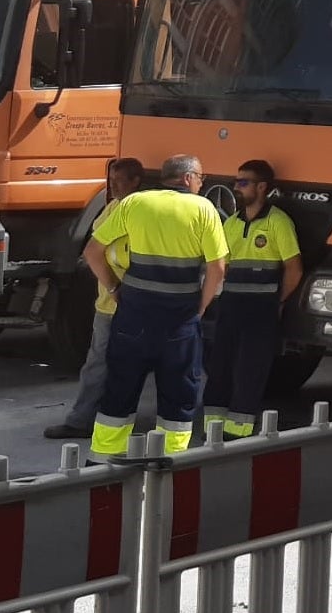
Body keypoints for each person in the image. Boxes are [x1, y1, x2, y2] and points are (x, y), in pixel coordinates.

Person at [87, 154, 228, 460]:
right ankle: (168, 462)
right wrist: (200, 309)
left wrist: (114, 288)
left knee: (120, 388)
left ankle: (101, 460)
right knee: (178, 394)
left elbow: (93, 252)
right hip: (179, 320)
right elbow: (217, 269)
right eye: (202, 178)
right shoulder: (203, 208)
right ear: (188, 178)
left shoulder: (134, 203)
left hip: (133, 314)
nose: (202, 184)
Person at [44, 157, 144, 442]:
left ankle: (94, 421)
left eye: (118, 181)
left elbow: (96, 252)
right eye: (110, 181)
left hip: (124, 302)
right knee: (99, 364)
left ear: (135, 181)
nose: (112, 186)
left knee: (111, 364)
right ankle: (86, 420)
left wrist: (114, 287)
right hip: (112, 304)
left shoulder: (137, 212)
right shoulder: (113, 207)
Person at [201, 160, 303, 439]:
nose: (236, 187)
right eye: (237, 181)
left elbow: (294, 268)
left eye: (243, 182)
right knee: (219, 363)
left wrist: (277, 301)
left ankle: (239, 428)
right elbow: (224, 265)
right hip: (231, 304)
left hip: (261, 309)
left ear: (262, 187)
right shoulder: (232, 223)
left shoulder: (278, 222)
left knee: (250, 368)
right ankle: (212, 423)